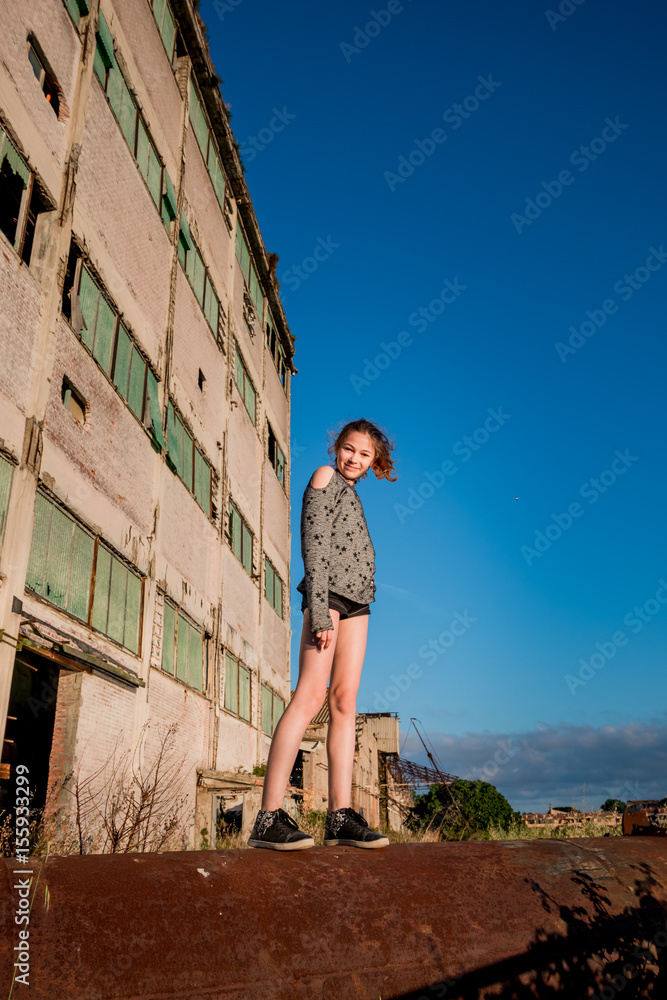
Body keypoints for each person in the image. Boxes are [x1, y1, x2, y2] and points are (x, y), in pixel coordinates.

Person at [247, 418, 397, 850]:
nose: (354, 458)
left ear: (374, 462)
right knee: (310, 696)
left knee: (345, 701)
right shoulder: (325, 476)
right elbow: (312, 544)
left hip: (358, 603)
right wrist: (320, 613)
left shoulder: (353, 493)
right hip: (327, 596)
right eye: (349, 449)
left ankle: (339, 817)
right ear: (337, 448)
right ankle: (268, 817)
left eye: (364, 454)